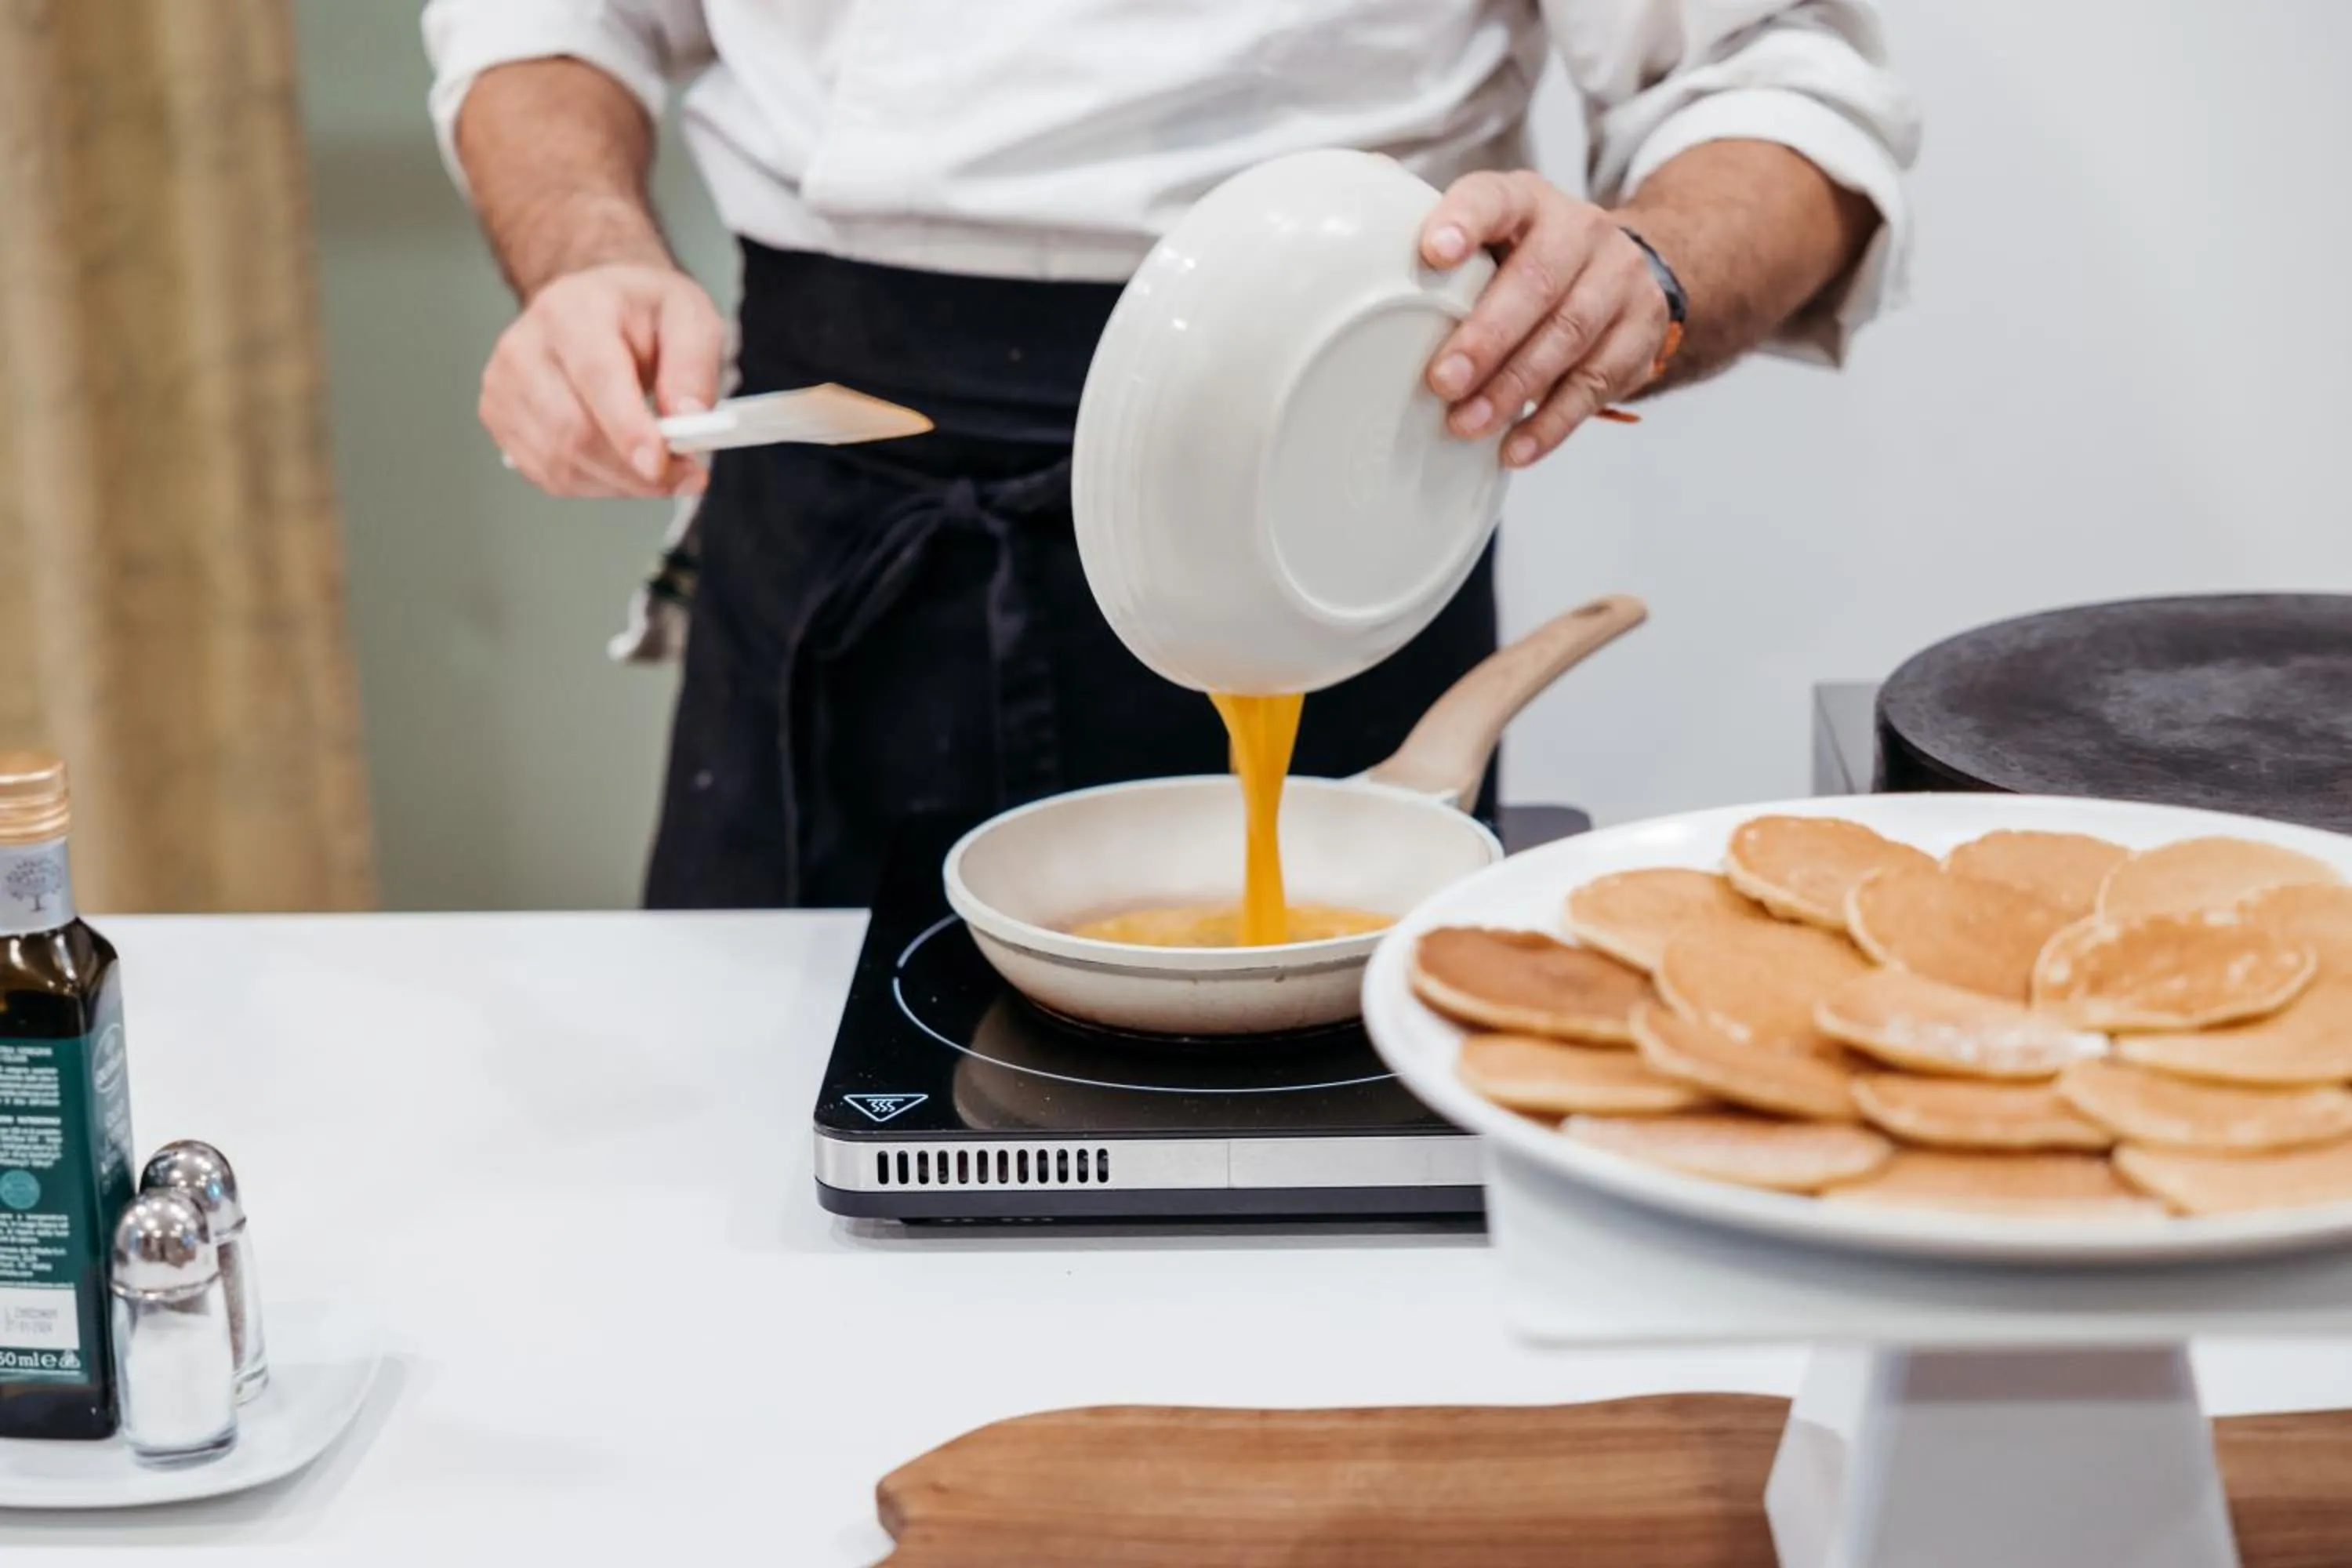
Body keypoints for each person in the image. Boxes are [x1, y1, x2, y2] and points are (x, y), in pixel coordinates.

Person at [424, 1, 1918, 909]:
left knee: (1323, 1265)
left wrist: (1644, 273)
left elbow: (1774, 73)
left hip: (1328, 496)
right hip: (839, 505)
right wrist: (586, 259)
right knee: (770, 1193)